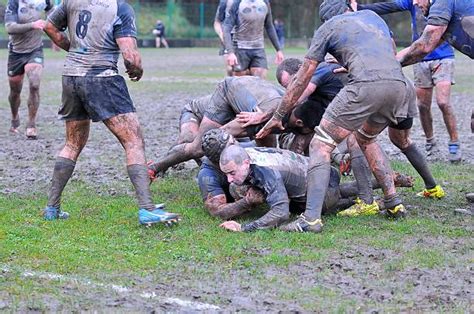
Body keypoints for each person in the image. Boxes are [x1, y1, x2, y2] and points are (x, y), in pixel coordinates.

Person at [257, 0, 418, 232]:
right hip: (399, 84)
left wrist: (279, 114)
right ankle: (393, 202)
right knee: (366, 138)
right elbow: (389, 51)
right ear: (348, 7)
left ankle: (310, 219)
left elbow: (302, 78)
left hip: (365, 86)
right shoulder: (373, 17)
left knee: (320, 145)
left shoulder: (328, 28)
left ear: (326, 19)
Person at [42, 0, 179, 226]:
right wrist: (137, 70)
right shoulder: (120, 8)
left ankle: (52, 208)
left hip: (71, 77)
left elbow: (49, 27)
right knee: (133, 141)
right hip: (102, 78)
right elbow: (130, 56)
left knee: (72, 144)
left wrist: (75, 50)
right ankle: (146, 209)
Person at [199, 129, 413, 224]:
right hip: (320, 172)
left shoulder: (253, 166)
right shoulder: (220, 166)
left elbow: (280, 211)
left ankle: (381, 201)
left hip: (316, 184)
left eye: (234, 142)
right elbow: (217, 208)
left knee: (332, 201)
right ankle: (385, 182)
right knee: (333, 191)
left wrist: (246, 220)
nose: (237, 143)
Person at [356, 0, 460, 162]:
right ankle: (430, 142)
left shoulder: (446, 4)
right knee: (422, 105)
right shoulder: (412, 2)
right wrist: (359, 8)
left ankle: (454, 143)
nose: (416, 2)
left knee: (443, 102)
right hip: (420, 59)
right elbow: (387, 7)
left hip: (444, 57)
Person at [148, 76, 284, 177]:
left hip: (228, 120)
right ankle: (158, 166)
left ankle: (204, 163)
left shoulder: (253, 105)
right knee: (194, 143)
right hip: (194, 113)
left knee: (234, 145)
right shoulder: (229, 100)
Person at [5, 0, 54, 139]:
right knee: (15, 91)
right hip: (16, 53)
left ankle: (31, 125)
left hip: (35, 50)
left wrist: (54, 26)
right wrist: (33, 25)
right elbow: (10, 27)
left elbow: (55, 17)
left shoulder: (45, 1)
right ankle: (15, 118)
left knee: (34, 84)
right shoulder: (14, 3)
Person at [396, 0, 473, 64]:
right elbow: (421, 48)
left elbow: (424, 46)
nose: (414, 3)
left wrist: (395, 65)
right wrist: (394, 61)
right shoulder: (448, 19)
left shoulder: (442, 3)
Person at [222, 0, 284, 78]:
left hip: (258, 48)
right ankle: (230, 74)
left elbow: (269, 26)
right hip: (240, 49)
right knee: (240, 83)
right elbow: (226, 28)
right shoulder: (237, 3)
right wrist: (231, 52)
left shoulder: (265, 3)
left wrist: (278, 50)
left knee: (260, 80)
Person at [214, 0, 237, 76]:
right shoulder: (224, 2)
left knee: (241, 71)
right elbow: (217, 22)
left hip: (243, 39)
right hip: (228, 37)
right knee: (230, 69)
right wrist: (222, 35)